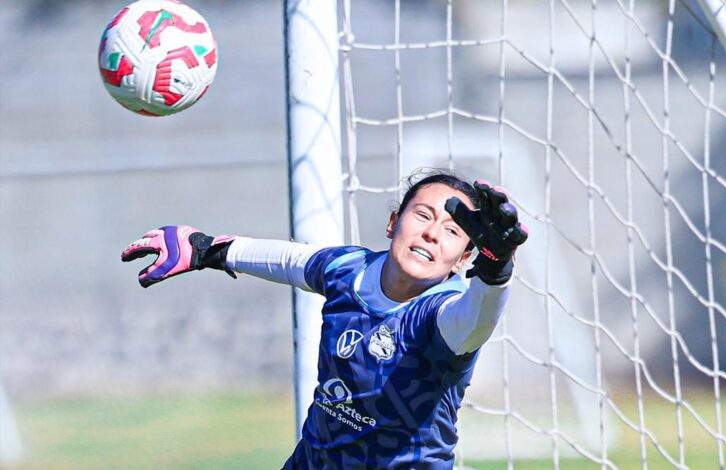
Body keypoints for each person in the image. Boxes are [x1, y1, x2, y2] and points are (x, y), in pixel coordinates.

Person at [121, 169, 528, 469]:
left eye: (453, 231)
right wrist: (208, 249)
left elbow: (476, 321)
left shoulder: (440, 313)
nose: (432, 233)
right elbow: (290, 259)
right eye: (422, 215)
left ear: (463, 259)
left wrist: (496, 271)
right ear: (392, 223)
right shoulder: (348, 270)